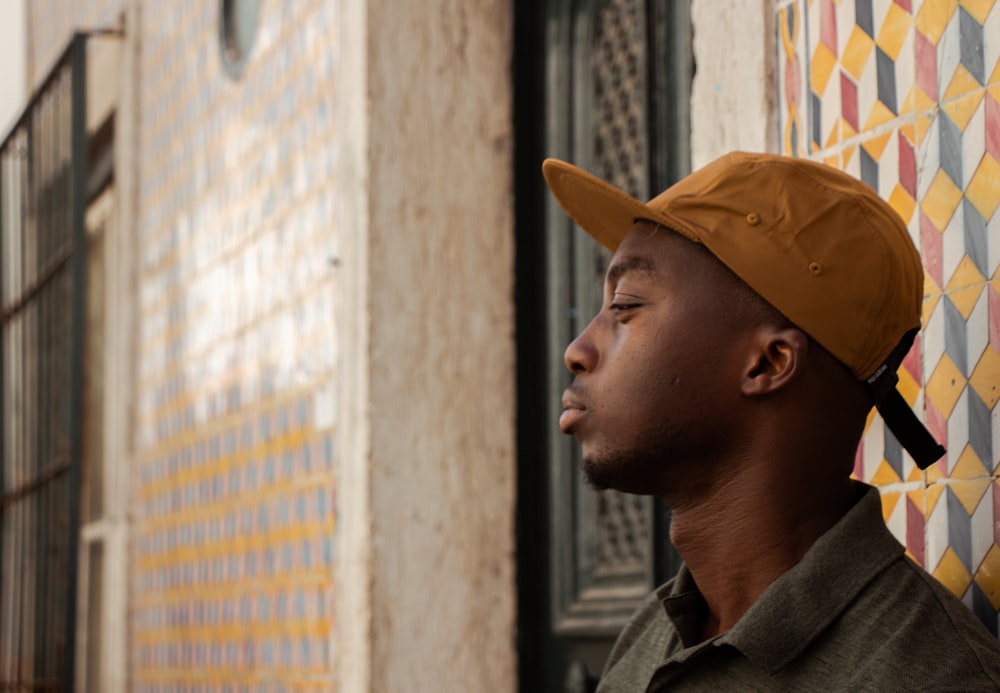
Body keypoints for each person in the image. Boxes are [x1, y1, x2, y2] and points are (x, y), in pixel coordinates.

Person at [542, 151, 1000, 691]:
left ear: (768, 363)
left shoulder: (923, 676)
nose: (577, 350)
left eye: (625, 306)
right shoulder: (653, 635)